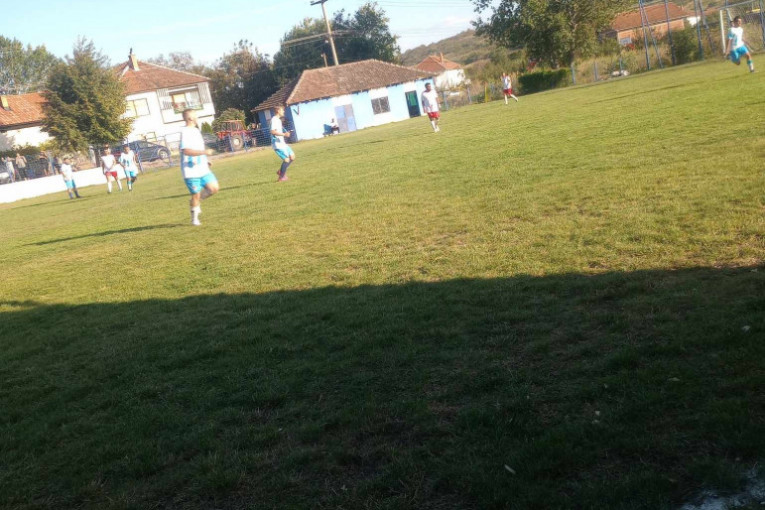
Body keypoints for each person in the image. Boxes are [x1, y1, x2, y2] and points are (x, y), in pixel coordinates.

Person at [180, 108, 219, 226]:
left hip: (202, 168)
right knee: (196, 194)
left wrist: (206, 160)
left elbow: (198, 148)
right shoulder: (185, 132)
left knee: (214, 188)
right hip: (190, 171)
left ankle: (195, 202)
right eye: (195, 116)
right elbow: (186, 151)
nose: (197, 118)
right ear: (190, 118)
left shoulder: (196, 131)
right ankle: (194, 219)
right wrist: (204, 152)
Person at [270, 106, 295, 182]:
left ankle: (281, 171)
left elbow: (279, 130)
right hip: (277, 144)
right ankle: (281, 177)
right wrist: (284, 134)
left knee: (292, 157)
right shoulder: (274, 120)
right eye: (282, 110)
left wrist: (286, 133)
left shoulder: (278, 120)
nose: (283, 111)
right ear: (278, 110)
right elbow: (273, 131)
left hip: (282, 143)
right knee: (286, 160)